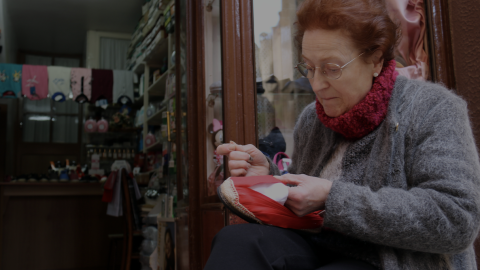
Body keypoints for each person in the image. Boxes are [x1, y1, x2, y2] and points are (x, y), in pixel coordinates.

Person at [204, 0, 480, 269]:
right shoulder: (311, 120)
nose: (317, 84)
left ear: (375, 60)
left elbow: (457, 218)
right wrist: (270, 178)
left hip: (394, 258)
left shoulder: (432, 108)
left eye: (331, 69)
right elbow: (305, 206)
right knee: (237, 241)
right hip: (321, 248)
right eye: (309, 68)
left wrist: (333, 198)